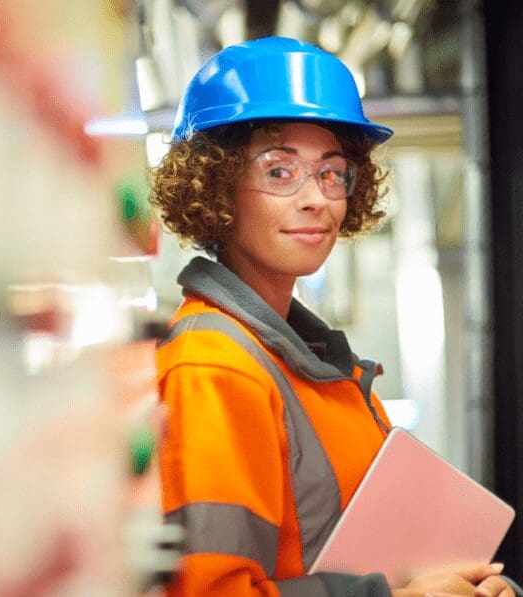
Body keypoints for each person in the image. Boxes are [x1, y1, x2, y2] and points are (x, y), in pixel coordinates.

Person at [149, 36, 516, 597]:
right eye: (279, 171)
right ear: (217, 187)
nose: (316, 198)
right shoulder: (215, 367)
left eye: (331, 172)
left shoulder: (316, 366)